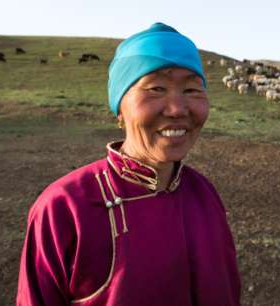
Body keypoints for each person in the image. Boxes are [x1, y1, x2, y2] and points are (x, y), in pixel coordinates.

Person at [16, 22, 241, 306]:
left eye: (193, 90)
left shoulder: (204, 193)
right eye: (156, 88)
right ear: (119, 109)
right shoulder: (64, 207)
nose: (177, 109)